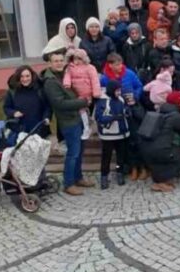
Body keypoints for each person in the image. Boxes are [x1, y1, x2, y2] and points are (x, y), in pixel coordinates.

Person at [41, 50, 95, 195]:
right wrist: (82, 101)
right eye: (56, 61)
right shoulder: (50, 82)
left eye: (61, 60)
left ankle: (78, 178)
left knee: (79, 151)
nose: (59, 63)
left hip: (79, 117)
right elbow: (60, 104)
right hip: (68, 121)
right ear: (50, 63)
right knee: (73, 153)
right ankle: (69, 183)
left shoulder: (66, 73)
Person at [132, 90, 180, 192]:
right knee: (179, 156)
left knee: (160, 157)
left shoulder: (160, 110)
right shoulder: (175, 116)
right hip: (160, 150)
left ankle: (159, 181)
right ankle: (161, 182)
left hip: (145, 148)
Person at [94, 81, 130, 189]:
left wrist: (127, 112)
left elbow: (126, 109)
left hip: (121, 133)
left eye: (120, 90)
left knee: (120, 156)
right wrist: (114, 117)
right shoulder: (102, 101)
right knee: (106, 157)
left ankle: (120, 172)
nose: (119, 92)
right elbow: (99, 117)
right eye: (117, 90)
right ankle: (104, 176)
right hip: (108, 134)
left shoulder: (121, 99)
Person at [62, 48, 101, 139]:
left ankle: (90, 126)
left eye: (79, 59)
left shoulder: (90, 68)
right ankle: (86, 127)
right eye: (75, 58)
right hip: (76, 93)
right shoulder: (70, 68)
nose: (77, 61)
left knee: (89, 110)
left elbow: (95, 80)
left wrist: (96, 92)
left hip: (88, 93)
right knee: (82, 110)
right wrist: (67, 83)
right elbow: (67, 76)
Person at [3, 65, 50, 137]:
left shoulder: (39, 89)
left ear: (32, 76)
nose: (25, 79)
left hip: (40, 130)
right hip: (19, 131)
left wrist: (46, 117)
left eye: (27, 76)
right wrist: (14, 113)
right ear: (18, 77)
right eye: (22, 76)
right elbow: (6, 108)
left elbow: (47, 107)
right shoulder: (12, 91)